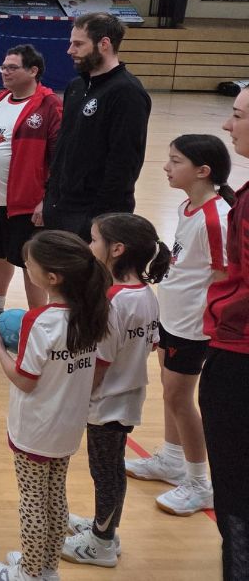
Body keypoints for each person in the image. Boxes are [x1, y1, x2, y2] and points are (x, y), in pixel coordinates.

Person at [0, 231, 111, 581]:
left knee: (32, 501)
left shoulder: (39, 321)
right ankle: (47, 567)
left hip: (35, 428)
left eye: (29, 265)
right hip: (68, 427)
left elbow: (25, 380)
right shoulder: (92, 313)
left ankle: (27, 572)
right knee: (55, 497)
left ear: (52, 277)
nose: (26, 268)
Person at [127, 135, 233, 516]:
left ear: (202, 171)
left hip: (193, 326)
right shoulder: (188, 207)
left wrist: (212, 327)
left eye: (175, 161)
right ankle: (172, 460)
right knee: (171, 393)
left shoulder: (215, 218)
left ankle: (200, 483)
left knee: (179, 398)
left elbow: (224, 277)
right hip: (172, 318)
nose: (166, 167)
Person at [63, 214, 164, 568]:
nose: (89, 246)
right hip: (129, 395)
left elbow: (101, 362)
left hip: (105, 401)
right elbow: (151, 342)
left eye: (94, 240)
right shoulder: (146, 294)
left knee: (105, 473)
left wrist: (78, 398)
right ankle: (103, 528)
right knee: (112, 469)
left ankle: (102, 542)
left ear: (117, 249)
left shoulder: (113, 300)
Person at [0, 45, 62, 326]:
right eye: (3, 67)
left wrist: (47, 197)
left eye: (12, 68)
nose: (5, 72)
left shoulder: (49, 105)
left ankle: (38, 319)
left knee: (30, 260)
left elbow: (59, 156)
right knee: (0, 253)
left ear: (33, 71)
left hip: (26, 201)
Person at [42, 13, 151, 240]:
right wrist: (50, 196)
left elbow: (125, 163)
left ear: (104, 44)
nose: (70, 50)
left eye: (78, 44)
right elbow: (63, 147)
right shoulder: (76, 87)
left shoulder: (127, 92)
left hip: (95, 216)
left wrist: (99, 218)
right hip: (61, 207)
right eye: (71, 43)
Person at [201, 87, 249, 578]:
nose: (227, 125)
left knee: (235, 486)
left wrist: (219, 317)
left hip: (239, 355)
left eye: (236, 115)